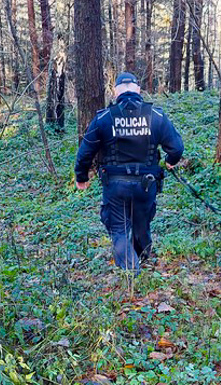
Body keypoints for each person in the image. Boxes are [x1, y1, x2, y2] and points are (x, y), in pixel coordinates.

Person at [75, 72, 184, 273]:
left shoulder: (104, 118)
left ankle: (132, 273)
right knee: (141, 223)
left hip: (115, 185)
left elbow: (85, 152)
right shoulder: (156, 116)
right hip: (146, 184)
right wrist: (170, 161)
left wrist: (81, 177)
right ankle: (142, 259)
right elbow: (176, 148)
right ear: (138, 90)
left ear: (116, 92)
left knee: (118, 229)